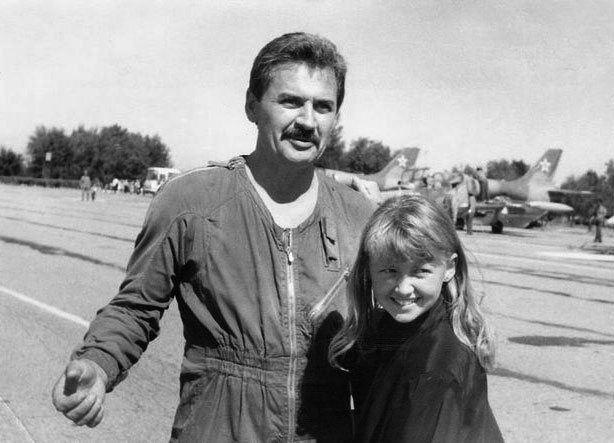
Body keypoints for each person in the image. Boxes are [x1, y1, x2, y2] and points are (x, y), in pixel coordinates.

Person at [51, 32, 375, 442]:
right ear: (252, 106)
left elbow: (385, 340)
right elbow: (136, 307)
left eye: (323, 106)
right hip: (220, 427)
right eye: (291, 101)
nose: (308, 121)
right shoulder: (191, 201)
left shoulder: (360, 216)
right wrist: (98, 363)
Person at [329, 195, 504, 443]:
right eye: (389, 270)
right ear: (369, 268)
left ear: (449, 268)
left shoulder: (439, 369)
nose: (403, 288)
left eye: (420, 271)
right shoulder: (379, 330)